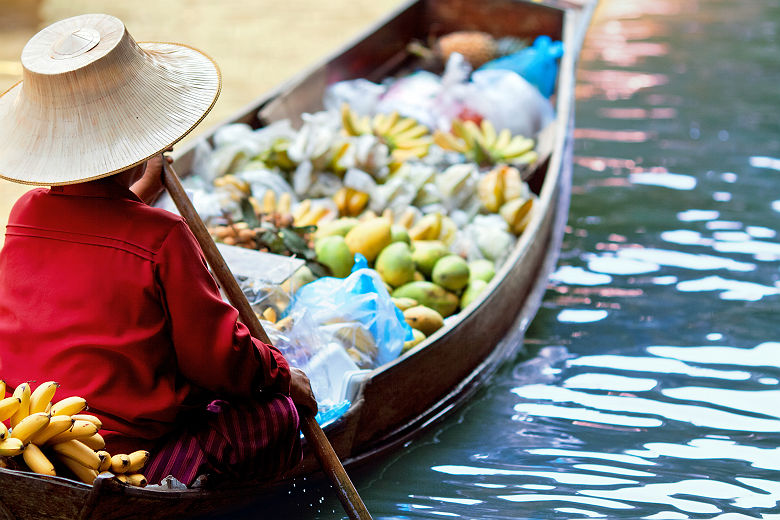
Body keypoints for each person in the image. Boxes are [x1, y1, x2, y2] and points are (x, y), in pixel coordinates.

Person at [0, 13, 317, 486]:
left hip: (30, 433)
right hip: (120, 452)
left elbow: (98, 237)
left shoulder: (26, 213)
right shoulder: (163, 237)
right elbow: (217, 363)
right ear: (138, 145)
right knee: (274, 415)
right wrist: (281, 374)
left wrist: (138, 196)